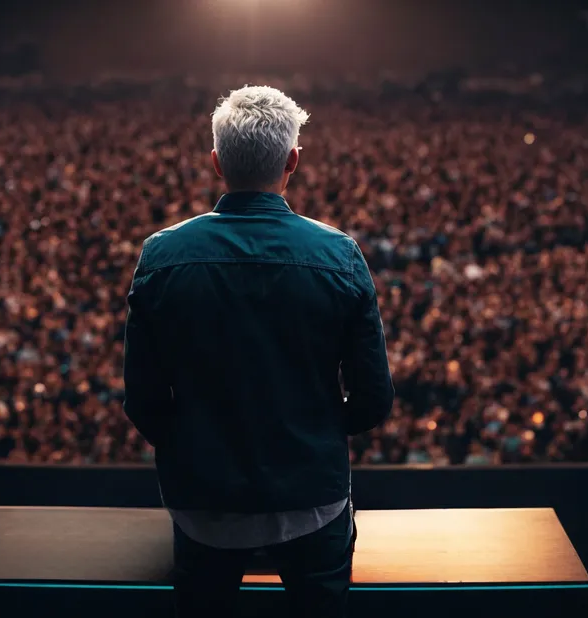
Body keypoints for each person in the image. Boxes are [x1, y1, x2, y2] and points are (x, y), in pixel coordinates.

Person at [122, 85, 395, 618]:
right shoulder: (339, 256)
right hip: (311, 499)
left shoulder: (160, 256)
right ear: (293, 160)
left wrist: (197, 444)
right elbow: (373, 399)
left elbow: (143, 400)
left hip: (203, 500)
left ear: (217, 162)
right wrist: (312, 432)